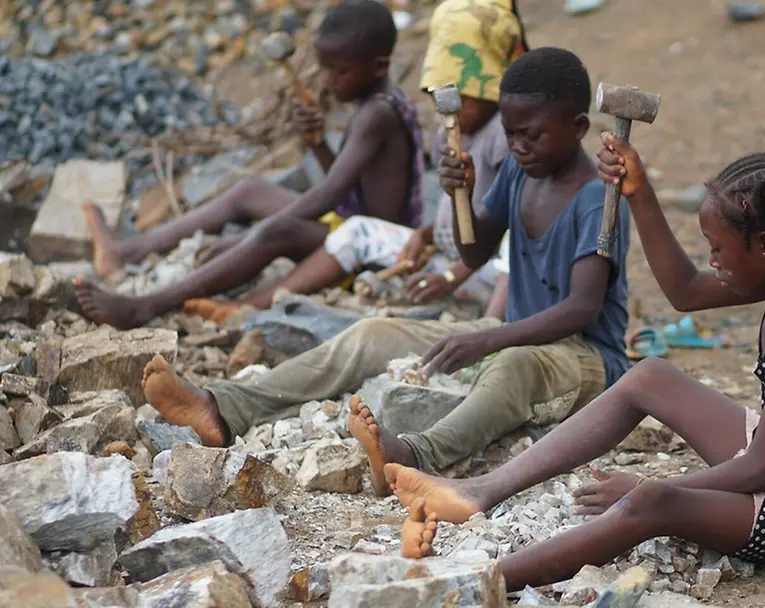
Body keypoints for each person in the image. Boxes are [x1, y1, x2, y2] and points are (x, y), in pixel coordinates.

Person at [137, 48, 630, 505]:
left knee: (512, 366)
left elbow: (581, 309)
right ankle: (224, 407)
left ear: (579, 125)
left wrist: (487, 338)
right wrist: (463, 195)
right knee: (377, 331)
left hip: (585, 358)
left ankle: (417, 454)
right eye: (512, 133)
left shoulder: (596, 200)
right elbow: (476, 250)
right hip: (513, 334)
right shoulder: (524, 173)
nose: (519, 146)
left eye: (533, 135)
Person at [383, 148, 765, 588]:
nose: (712, 260)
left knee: (651, 503)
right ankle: (476, 491)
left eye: (717, 249)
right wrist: (639, 193)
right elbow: (685, 291)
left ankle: (479, 582)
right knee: (650, 375)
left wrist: (652, 487)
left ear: (764, 244)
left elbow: (762, 467)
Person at [75, 0, 425, 329]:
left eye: (340, 71)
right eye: (325, 69)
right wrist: (317, 143)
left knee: (276, 232)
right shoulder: (373, 103)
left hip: (376, 249)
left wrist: (245, 239)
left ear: (379, 65)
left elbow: (330, 194)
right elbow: (347, 187)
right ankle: (125, 252)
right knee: (249, 190)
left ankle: (146, 306)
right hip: (352, 222)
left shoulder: (377, 114)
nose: (328, 80)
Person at [181, 0, 529, 323]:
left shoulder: (504, 136)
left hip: (487, 273)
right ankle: (244, 307)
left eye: (462, 96)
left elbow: (507, 236)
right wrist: (426, 236)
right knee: (352, 231)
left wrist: (452, 275)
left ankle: (489, 331)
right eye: (440, 95)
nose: (449, 107)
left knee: (350, 231)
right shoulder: (449, 132)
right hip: (449, 258)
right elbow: (453, 217)